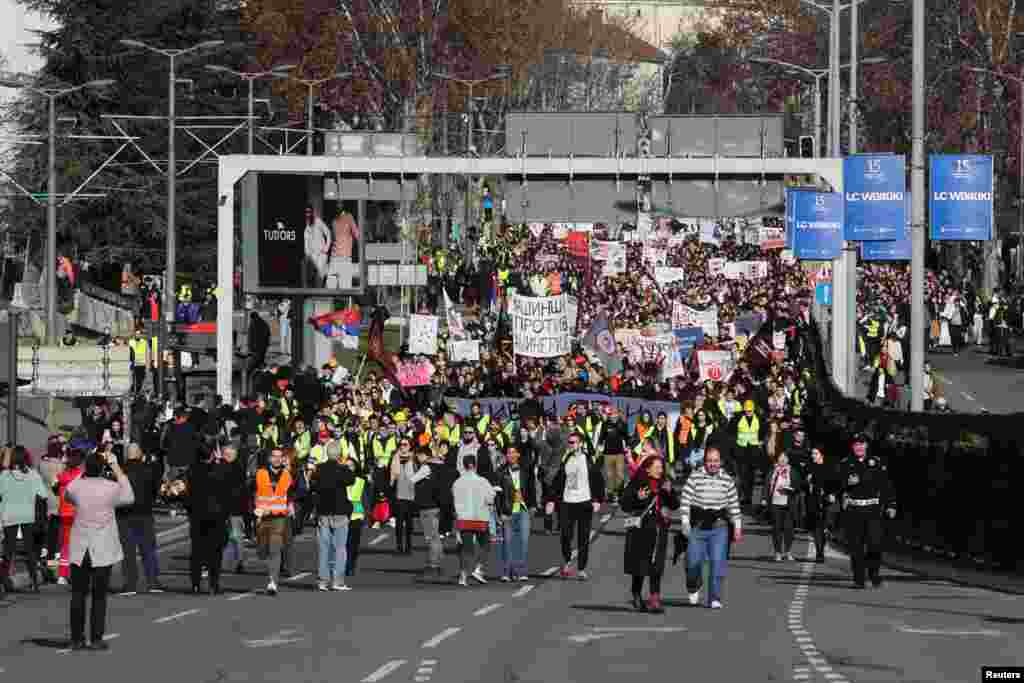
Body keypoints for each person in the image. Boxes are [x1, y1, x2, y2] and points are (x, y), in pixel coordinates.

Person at [64, 450, 135, 651]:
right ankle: (96, 638)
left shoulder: (77, 486)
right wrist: (116, 467)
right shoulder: (111, 488)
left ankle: (76, 638)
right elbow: (129, 496)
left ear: (86, 468)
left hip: (80, 547)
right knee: (99, 595)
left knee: (78, 594)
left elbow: (68, 492)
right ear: (103, 469)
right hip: (103, 547)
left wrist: (81, 473)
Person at [679, 447, 742, 609]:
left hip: (719, 527)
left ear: (720, 462)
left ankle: (714, 597)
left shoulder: (727, 480)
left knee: (717, 561)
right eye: (709, 461)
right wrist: (685, 522)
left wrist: (737, 526)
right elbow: (685, 500)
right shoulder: (695, 477)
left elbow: (734, 505)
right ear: (704, 462)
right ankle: (694, 585)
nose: (712, 464)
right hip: (698, 527)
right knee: (693, 561)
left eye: (715, 461)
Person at [620, 452, 679, 613]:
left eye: (661, 467)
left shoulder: (664, 483)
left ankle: (654, 599)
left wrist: (670, 492)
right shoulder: (637, 482)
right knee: (640, 566)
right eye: (657, 467)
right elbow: (624, 504)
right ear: (647, 469)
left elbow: (675, 505)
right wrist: (637, 498)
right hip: (641, 531)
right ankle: (636, 593)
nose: (660, 470)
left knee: (657, 566)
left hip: (660, 530)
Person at [837, 433, 896, 589]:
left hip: (872, 509)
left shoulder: (876, 463)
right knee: (856, 546)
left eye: (862, 444)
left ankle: (874, 574)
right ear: (852, 446)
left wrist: (891, 505)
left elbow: (886, 486)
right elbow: (837, 485)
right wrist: (847, 483)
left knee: (875, 544)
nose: (859, 447)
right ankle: (859, 579)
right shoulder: (845, 463)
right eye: (856, 444)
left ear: (867, 446)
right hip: (854, 509)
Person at [545, 430, 605, 581]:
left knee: (583, 537)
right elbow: (558, 481)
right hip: (567, 502)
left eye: (572, 442)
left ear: (581, 444)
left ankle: (581, 568)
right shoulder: (566, 460)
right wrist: (551, 500)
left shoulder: (588, 460)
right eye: (569, 442)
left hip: (584, 503)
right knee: (565, 535)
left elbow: (598, 480)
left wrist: (597, 500)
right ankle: (567, 562)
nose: (570, 445)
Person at [0, 446, 55, 594]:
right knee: (30, 549)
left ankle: (4, 581)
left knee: (8, 550)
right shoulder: (33, 475)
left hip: (8, 514)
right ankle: (35, 582)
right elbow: (43, 494)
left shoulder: (5, 475)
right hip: (27, 514)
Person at [116, 444, 163, 595]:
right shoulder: (149, 470)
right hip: (145, 514)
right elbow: (156, 490)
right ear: (140, 454)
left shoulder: (121, 471)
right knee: (148, 550)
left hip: (125, 515)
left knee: (128, 552)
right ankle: (153, 582)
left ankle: (130, 585)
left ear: (127, 455)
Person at [310, 441, 355, 591]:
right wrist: (344, 465)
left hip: (323, 511)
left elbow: (313, 485)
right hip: (340, 511)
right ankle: (338, 581)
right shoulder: (342, 469)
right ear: (339, 454)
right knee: (340, 547)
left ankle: (322, 581)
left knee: (324, 547)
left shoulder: (320, 469)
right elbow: (351, 479)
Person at [187, 449, 233, 595]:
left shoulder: (192, 471)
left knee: (197, 552)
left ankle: (195, 584)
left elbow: (188, 496)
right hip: (216, 516)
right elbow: (229, 485)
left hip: (197, 516)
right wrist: (221, 461)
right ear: (212, 455)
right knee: (215, 553)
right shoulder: (219, 470)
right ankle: (214, 584)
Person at [254, 446, 294, 596]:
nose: (277, 459)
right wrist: (255, 510)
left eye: (280, 456)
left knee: (275, 550)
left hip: (279, 517)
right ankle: (269, 568)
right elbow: (252, 491)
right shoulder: (260, 473)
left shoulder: (287, 475)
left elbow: (292, 493)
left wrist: (290, 504)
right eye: (274, 456)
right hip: (262, 518)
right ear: (269, 458)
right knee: (263, 550)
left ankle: (273, 582)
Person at [494, 444, 536, 582]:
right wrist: (500, 513)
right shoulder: (500, 472)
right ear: (506, 456)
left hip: (523, 508)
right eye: (509, 453)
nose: (511, 455)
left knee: (523, 541)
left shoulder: (526, 470)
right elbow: (498, 495)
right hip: (508, 510)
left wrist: (533, 505)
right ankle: (507, 571)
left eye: (514, 452)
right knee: (507, 542)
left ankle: (521, 571)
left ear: (518, 454)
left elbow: (531, 489)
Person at [451, 454, 495, 586]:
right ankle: (478, 569)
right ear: (475, 465)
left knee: (466, 549)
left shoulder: (457, 483)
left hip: (464, 519)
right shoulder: (483, 481)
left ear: (464, 466)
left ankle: (463, 577)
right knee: (485, 544)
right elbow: (490, 499)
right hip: (480, 518)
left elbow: (454, 501)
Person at [411, 446, 444, 578]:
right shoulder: (438, 466)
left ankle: (433, 564)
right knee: (435, 536)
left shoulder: (426, 467)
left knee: (431, 537)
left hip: (427, 506)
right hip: (436, 505)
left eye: (418, 456)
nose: (417, 459)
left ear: (424, 455)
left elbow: (412, 479)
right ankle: (437, 561)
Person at [803, 445, 837, 564]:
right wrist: (806, 482)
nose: (813, 456)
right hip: (813, 501)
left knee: (825, 526)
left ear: (821, 455)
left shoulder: (829, 467)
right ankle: (819, 553)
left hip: (826, 501)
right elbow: (803, 485)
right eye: (812, 454)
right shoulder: (809, 467)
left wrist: (832, 493)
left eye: (815, 454)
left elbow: (835, 483)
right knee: (817, 528)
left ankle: (829, 533)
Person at [56, 449, 85, 585]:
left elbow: (55, 487)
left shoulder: (62, 476)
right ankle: (77, 573)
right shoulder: (81, 476)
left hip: (64, 513)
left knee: (65, 545)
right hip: (78, 514)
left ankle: (62, 574)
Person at [766, 453, 801, 562]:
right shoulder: (773, 471)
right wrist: (764, 498)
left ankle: (788, 551)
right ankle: (777, 552)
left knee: (789, 529)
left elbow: (798, 486)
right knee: (776, 528)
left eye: (784, 458)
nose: (782, 460)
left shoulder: (793, 471)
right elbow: (767, 484)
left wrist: (788, 489)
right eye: (780, 458)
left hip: (788, 503)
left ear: (788, 460)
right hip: (775, 503)